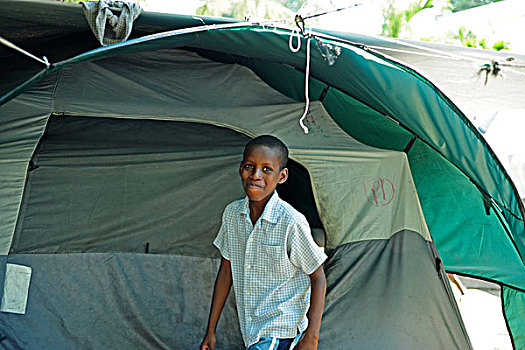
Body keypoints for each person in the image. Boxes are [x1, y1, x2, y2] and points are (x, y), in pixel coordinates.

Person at [200, 135, 327, 350]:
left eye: (267, 169)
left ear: (282, 175)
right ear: (241, 169)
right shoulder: (232, 215)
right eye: (250, 166)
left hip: (281, 329)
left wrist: (311, 338)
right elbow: (226, 271)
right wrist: (211, 330)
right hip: (252, 329)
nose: (256, 176)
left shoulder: (290, 221)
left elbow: (318, 277)